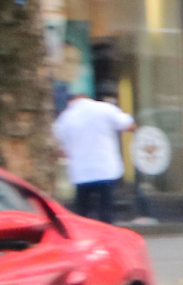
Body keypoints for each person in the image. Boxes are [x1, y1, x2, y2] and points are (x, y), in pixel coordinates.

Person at [52, 88, 135, 222]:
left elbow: (61, 148)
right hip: (105, 169)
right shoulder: (105, 109)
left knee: (82, 211)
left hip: (81, 173)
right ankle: (107, 237)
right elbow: (129, 125)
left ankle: (84, 237)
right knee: (106, 209)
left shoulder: (64, 118)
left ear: (70, 102)